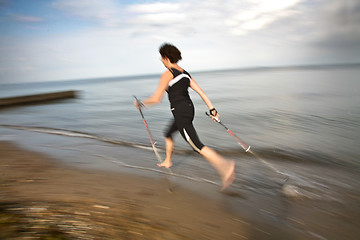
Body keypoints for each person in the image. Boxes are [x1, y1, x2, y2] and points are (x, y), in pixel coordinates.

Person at [134, 43, 235, 190]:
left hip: (181, 112)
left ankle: (225, 166)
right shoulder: (185, 74)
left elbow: (157, 98)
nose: (161, 61)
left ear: (166, 57)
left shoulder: (168, 73)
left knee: (196, 145)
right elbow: (201, 92)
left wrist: (141, 103)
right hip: (188, 110)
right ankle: (168, 161)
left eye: (161, 58)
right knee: (168, 133)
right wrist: (212, 109)